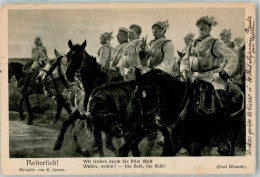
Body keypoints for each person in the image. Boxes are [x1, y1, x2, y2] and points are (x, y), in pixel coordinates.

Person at [180, 16, 238, 155]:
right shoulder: (192, 43)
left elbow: (233, 58)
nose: (201, 27)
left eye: (205, 25)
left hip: (213, 77)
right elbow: (185, 60)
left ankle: (226, 140)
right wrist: (184, 70)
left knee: (221, 102)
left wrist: (223, 74)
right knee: (179, 100)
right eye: (199, 25)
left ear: (210, 28)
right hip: (194, 77)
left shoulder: (216, 43)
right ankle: (181, 138)